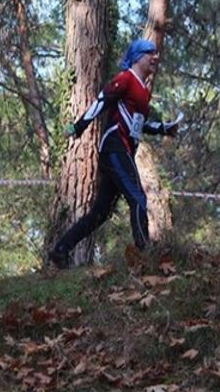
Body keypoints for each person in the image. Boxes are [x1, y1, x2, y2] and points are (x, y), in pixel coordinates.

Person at [48, 39, 178, 269]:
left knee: (101, 212)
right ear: (138, 56)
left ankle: (60, 249)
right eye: (150, 53)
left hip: (124, 149)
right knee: (137, 197)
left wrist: (164, 128)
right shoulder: (125, 78)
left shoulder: (143, 91)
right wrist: (78, 127)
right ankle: (144, 253)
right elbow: (101, 101)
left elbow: (139, 124)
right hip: (114, 147)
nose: (155, 58)